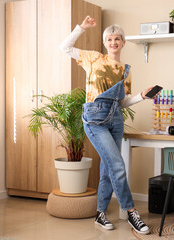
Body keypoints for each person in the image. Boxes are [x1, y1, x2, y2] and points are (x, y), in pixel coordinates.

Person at [60, 15, 156, 235]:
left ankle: (100, 214)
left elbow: (122, 103)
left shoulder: (125, 70)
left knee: (107, 168)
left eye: (117, 39)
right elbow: (64, 47)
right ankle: (132, 212)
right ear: (105, 43)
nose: (113, 42)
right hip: (94, 118)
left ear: (123, 42)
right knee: (117, 165)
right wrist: (81, 28)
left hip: (116, 119)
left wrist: (141, 96)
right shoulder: (93, 58)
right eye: (110, 39)